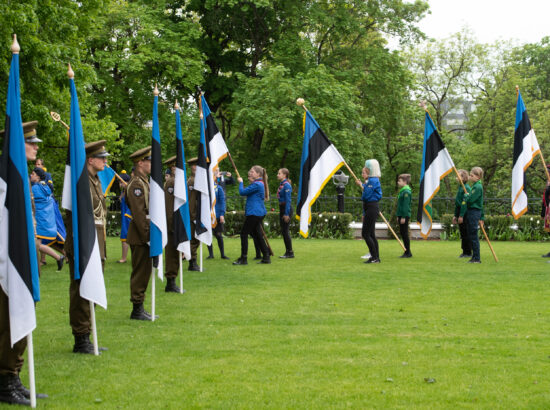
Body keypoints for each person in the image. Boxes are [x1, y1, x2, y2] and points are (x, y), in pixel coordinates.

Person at [0, 121, 48, 404]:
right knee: (8, 321)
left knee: (21, 318)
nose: (36, 146)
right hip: (7, 261)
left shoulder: (20, 177)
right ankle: (5, 379)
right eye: (31, 142)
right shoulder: (5, 177)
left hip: (23, 258)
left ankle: (14, 375)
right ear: (15, 145)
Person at [64, 140, 109, 353]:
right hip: (83, 242)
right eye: (102, 158)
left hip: (96, 240)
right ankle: (81, 338)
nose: (105, 161)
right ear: (90, 160)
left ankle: (88, 334)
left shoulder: (95, 180)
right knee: (81, 291)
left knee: (90, 288)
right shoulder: (80, 181)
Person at [126, 146, 157, 320]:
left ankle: (140, 306)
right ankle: (137, 308)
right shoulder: (136, 184)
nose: (151, 164)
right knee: (140, 272)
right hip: (140, 236)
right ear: (140, 163)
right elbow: (139, 215)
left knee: (145, 272)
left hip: (144, 234)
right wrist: (148, 237)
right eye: (149, 161)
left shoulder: (144, 181)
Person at [233, 165, 270, 265]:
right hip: (257, 213)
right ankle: (266, 256)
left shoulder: (257, 184)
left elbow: (242, 192)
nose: (250, 172)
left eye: (252, 171)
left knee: (244, 234)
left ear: (258, 174)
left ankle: (243, 258)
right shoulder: (258, 183)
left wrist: (241, 182)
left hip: (254, 213)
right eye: (250, 171)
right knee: (257, 235)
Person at [30, 167, 65, 270]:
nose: (31, 175)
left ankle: (59, 257)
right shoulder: (45, 187)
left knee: (36, 244)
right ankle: (59, 258)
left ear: (38, 176)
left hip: (39, 222)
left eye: (32, 174)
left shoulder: (35, 188)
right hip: (45, 221)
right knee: (36, 244)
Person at [163, 156, 183, 292]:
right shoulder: (171, 182)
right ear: (172, 168)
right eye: (176, 167)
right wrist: (172, 225)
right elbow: (169, 206)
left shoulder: (177, 181)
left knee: (176, 253)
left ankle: (173, 280)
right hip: (172, 225)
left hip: (177, 224)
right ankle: (170, 282)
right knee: (171, 254)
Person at [356, 159, 382, 264]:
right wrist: (363, 184)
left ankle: (374, 257)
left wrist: (363, 185)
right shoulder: (370, 181)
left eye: (365, 171)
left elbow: (366, 195)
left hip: (371, 207)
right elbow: (366, 193)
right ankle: (375, 257)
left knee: (365, 233)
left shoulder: (373, 181)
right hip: (369, 207)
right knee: (371, 233)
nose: (363, 174)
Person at [459, 167, 484, 264]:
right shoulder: (475, 186)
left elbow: (470, 199)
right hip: (472, 211)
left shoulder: (477, 187)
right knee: (471, 234)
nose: (470, 177)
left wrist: (466, 196)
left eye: (472, 175)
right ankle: (474, 256)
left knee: (473, 235)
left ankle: (477, 257)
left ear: (477, 177)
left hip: (474, 212)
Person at [207, 170, 229, 260]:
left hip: (217, 215)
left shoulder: (218, 188)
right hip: (208, 215)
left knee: (218, 235)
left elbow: (222, 202)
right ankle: (211, 254)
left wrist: (222, 214)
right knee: (208, 235)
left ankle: (222, 254)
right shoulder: (205, 188)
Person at [453, 169, 472, 258]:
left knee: (466, 233)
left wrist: (461, 216)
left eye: (458, 176)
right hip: (460, 211)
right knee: (463, 233)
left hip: (465, 213)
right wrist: (455, 215)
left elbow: (464, 203)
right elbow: (458, 203)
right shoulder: (460, 187)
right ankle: (464, 251)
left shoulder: (466, 188)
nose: (456, 177)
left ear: (463, 177)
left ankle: (468, 252)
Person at [186, 157, 200, 271]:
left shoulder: (197, 180)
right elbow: (191, 200)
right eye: (194, 165)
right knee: (193, 240)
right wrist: (193, 216)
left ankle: (193, 261)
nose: (196, 167)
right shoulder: (192, 181)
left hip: (196, 214)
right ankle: (192, 262)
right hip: (193, 215)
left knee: (196, 239)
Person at [277, 168, 294, 258]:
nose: (277, 175)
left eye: (279, 173)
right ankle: (288, 251)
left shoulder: (286, 185)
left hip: (286, 209)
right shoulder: (282, 184)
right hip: (282, 208)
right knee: (284, 231)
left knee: (285, 231)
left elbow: (288, 200)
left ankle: (290, 252)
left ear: (284, 175)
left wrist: (286, 214)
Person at [396, 173, 412, 258]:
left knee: (405, 234)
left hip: (404, 216)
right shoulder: (403, 191)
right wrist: (398, 215)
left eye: (400, 181)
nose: (398, 182)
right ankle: (406, 251)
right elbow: (400, 206)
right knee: (403, 233)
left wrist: (403, 217)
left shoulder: (406, 192)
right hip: (401, 215)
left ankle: (408, 252)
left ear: (405, 181)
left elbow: (405, 206)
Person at [118, 170, 131, 263]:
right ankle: (124, 257)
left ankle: (124, 258)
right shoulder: (123, 192)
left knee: (125, 237)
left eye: (121, 182)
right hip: (125, 217)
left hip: (128, 217)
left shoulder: (129, 191)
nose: (120, 184)